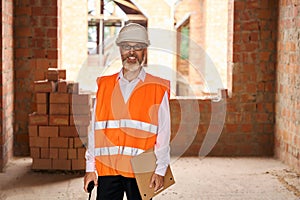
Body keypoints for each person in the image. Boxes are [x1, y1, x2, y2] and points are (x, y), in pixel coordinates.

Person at [83, 23, 171, 200]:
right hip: (108, 168)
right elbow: (94, 130)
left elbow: (163, 133)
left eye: (137, 47)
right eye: (126, 46)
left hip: (141, 168)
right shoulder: (104, 85)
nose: (131, 52)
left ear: (145, 50)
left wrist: (161, 169)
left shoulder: (157, 88)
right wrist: (90, 168)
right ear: (120, 50)